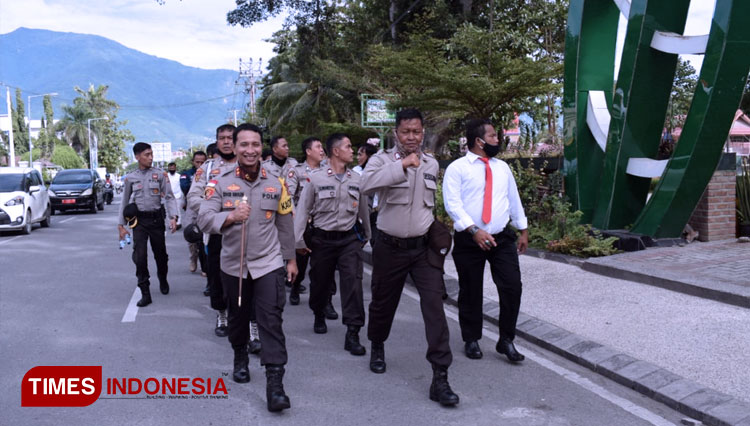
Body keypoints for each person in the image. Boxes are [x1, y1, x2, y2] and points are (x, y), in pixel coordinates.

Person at [361, 108, 459, 407]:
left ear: (423, 132)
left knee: (434, 307)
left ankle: (440, 376)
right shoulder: (380, 161)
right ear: (396, 133)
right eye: (406, 132)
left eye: (417, 131)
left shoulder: (431, 164)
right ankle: (377, 344)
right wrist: (402, 164)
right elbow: (364, 185)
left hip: (422, 250)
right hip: (389, 247)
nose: (412, 137)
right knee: (382, 301)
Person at [197, 123, 297, 412]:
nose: (250, 150)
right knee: (238, 319)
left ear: (261, 148)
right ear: (234, 147)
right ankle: (239, 355)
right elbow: (204, 218)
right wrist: (229, 217)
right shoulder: (218, 181)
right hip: (233, 264)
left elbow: (285, 222)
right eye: (244, 145)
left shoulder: (276, 181)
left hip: (268, 263)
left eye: (255, 145)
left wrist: (290, 259)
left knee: (271, 321)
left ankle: (275, 385)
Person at [442, 118, 529, 363]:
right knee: (471, 289)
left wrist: (522, 229)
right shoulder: (457, 168)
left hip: (501, 237)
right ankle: (471, 339)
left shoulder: (502, 168)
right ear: (479, 141)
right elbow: (453, 205)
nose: (496, 140)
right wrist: (473, 230)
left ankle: (506, 340)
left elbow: (513, 199)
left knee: (512, 287)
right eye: (492, 136)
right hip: (470, 239)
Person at [293, 133, 370, 354]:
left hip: (348, 239)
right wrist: (298, 240)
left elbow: (363, 208)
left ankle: (353, 332)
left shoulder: (357, 179)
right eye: (348, 146)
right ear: (336, 151)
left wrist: (367, 234)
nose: (352, 150)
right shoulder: (315, 178)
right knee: (320, 282)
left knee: (353, 284)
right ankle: (318, 312)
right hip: (322, 239)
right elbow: (303, 210)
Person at [187, 125, 240, 340]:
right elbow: (193, 197)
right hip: (217, 233)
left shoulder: (250, 164)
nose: (226, 142)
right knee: (217, 277)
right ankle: (221, 314)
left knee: (248, 279)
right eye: (222, 138)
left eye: (230, 138)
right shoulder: (207, 169)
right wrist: (218, 216)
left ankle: (250, 321)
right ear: (217, 142)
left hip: (246, 231)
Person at [118, 142, 179, 307]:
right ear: (137, 156)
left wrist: (173, 217)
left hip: (156, 220)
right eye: (147, 155)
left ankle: (163, 277)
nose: (150, 158)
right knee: (140, 257)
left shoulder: (160, 175)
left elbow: (169, 197)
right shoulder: (130, 177)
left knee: (161, 255)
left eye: (151, 154)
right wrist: (121, 225)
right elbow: (124, 202)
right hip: (139, 222)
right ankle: (145, 291)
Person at [285, 137, 325, 305]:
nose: (322, 150)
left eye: (322, 147)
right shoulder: (297, 171)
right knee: (301, 261)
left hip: (323, 223)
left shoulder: (328, 170)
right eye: (318, 147)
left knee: (324, 265)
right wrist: (297, 218)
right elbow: (289, 196)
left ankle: (326, 301)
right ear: (308, 151)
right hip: (305, 223)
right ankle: (295, 286)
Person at [180, 151, 207, 274]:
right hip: (192, 207)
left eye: (203, 162)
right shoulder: (187, 174)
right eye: (198, 162)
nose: (200, 164)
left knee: (203, 236)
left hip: (206, 206)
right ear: (193, 162)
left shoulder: (211, 172)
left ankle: (204, 265)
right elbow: (185, 187)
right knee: (191, 234)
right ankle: (193, 258)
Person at [353, 143, 380, 245]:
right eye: (357, 154)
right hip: (359, 213)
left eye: (360, 155)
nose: (357, 157)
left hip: (376, 213)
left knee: (376, 243)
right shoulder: (355, 172)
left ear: (370, 156)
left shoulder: (380, 171)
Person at [166, 162, 182, 229]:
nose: (172, 169)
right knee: (169, 210)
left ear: (175, 168)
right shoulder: (166, 176)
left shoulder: (179, 176)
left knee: (178, 210)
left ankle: (178, 223)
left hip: (178, 195)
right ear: (168, 168)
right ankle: (171, 224)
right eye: (170, 168)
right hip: (169, 196)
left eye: (173, 168)